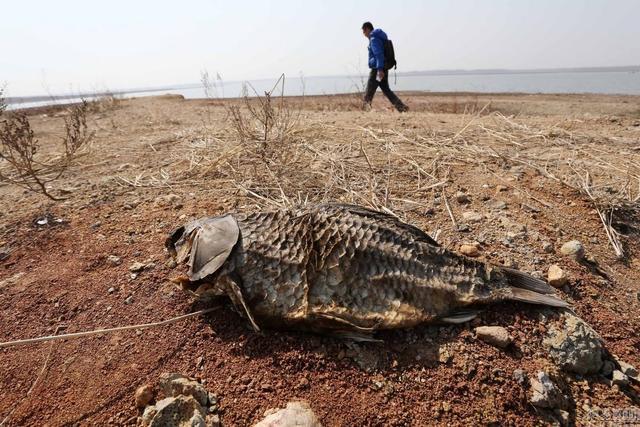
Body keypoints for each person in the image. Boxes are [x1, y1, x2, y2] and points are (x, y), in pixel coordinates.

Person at [361, 21, 408, 112]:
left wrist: (379, 70)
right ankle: (402, 107)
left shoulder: (374, 39)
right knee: (386, 90)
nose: (364, 34)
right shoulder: (380, 37)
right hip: (383, 68)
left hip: (377, 70)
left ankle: (365, 110)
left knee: (369, 90)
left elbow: (378, 54)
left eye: (364, 31)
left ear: (367, 29)